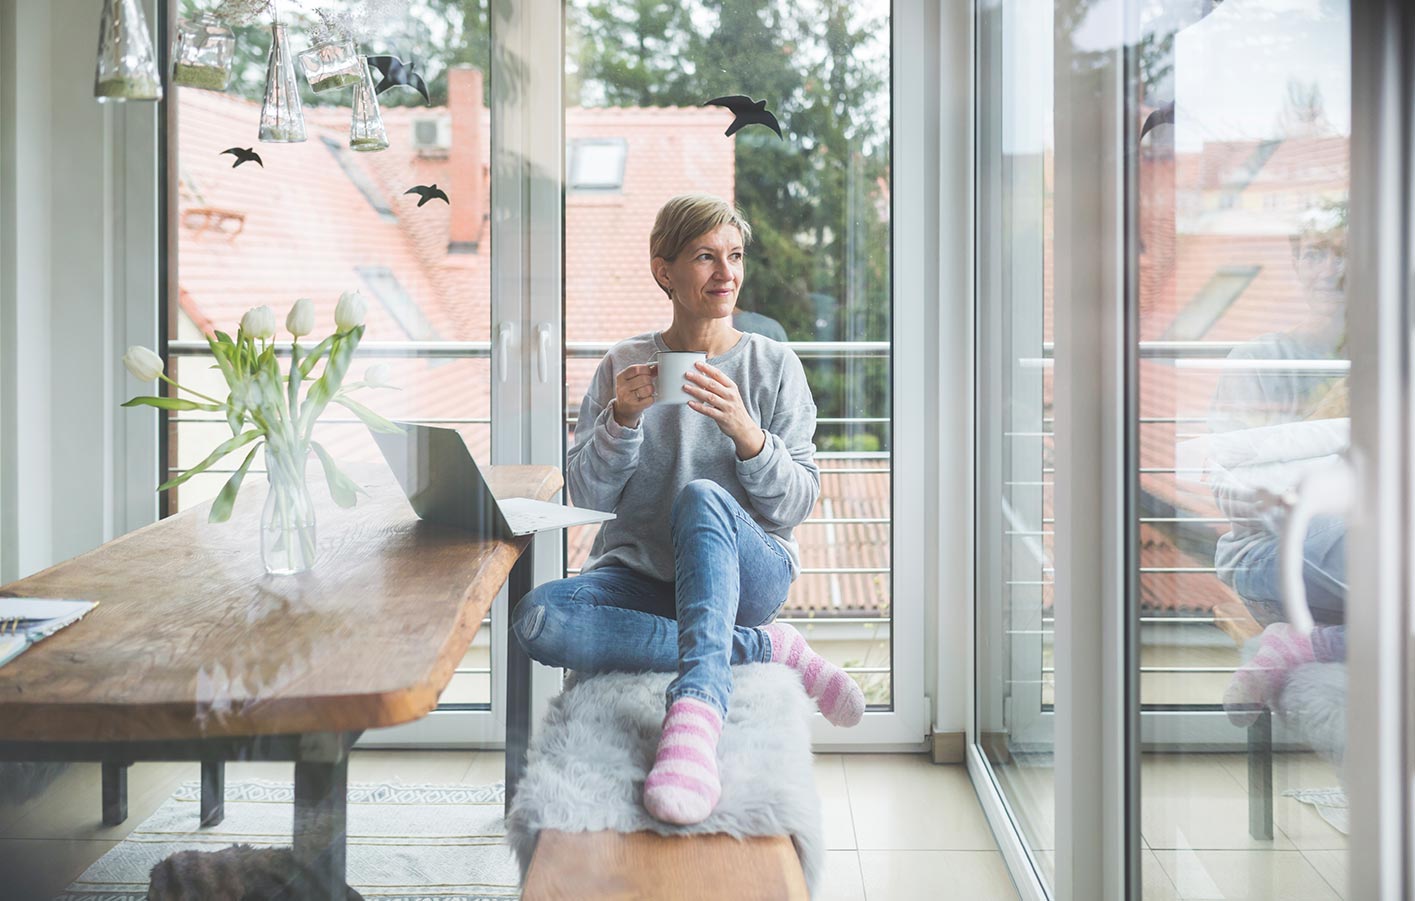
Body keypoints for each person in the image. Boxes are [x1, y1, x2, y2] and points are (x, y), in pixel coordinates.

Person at [512, 194, 865, 826]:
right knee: (538, 620)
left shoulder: (773, 365)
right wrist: (620, 421)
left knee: (701, 498)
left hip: (746, 577)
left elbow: (798, 501)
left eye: (734, 256)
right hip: (640, 576)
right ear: (664, 271)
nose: (726, 273)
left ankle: (698, 705)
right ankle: (760, 648)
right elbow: (587, 500)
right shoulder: (624, 366)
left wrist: (747, 435)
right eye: (705, 257)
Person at [1206, 205, 1349, 722]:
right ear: (1297, 263)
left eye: (1347, 254)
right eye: (1315, 254)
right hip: (1270, 554)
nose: (1330, 270)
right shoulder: (1261, 359)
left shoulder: (1398, 355)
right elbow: (1230, 491)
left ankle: (1313, 645)